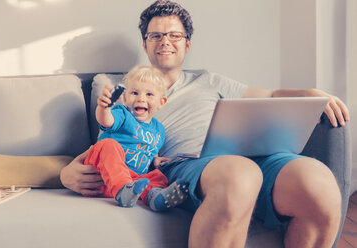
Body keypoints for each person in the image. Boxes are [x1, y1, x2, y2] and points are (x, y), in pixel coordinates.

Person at [61, 0, 350, 247]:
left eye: (174, 35)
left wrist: (309, 93)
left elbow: (271, 95)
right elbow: (110, 143)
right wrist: (67, 173)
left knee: (319, 184)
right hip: (191, 165)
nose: (165, 41)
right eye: (156, 35)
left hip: (255, 153)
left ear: (187, 44)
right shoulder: (128, 92)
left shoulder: (210, 80)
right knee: (240, 174)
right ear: (145, 44)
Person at [84, 65, 189, 211]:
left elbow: (151, 150)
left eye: (149, 95)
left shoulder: (159, 130)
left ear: (161, 102)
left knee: (156, 177)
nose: (141, 99)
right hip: (102, 176)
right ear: (125, 98)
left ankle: (155, 197)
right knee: (108, 144)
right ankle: (122, 190)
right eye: (135, 93)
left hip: (134, 183)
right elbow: (106, 121)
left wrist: (156, 160)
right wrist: (104, 108)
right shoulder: (122, 114)